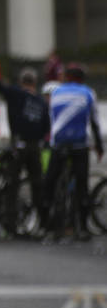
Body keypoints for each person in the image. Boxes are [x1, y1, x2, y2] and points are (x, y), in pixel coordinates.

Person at [0, 67, 50, 236]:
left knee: (12, 185)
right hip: (34, 147)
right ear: (35, 83)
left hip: (17, 146)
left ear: (21, 82)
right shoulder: (40, 102)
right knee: (37, 185)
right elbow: (47, 127)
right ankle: (43, 222)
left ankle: (10, 224)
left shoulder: (15, 94)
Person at [42, 64, 103, 241]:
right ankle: (82, 228)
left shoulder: (56, 93)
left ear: (66, 78)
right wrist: (99, 147)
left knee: (49, 183)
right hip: (79, 146)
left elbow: (51, 118)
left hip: (58, 145)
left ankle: (46, 226)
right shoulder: (88, 93)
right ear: (82, 79)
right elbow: (94, 122)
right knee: (82, 186)